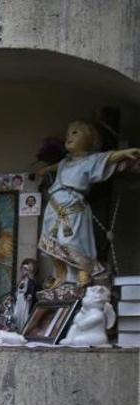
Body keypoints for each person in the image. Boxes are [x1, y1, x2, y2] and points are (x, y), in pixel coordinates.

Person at [37, 119, 140, 286]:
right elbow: (55, 167)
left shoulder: (90, 160)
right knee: (51, 245)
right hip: (54, 207)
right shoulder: (65, 162)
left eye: (76, 132)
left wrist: (124, 152)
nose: (69, 136)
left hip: (73, 208)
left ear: (91, 139)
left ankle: (84, 272)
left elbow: (108, 158)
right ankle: (60, 276)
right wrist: (45, 170)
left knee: (74, 242)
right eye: (68, 133)